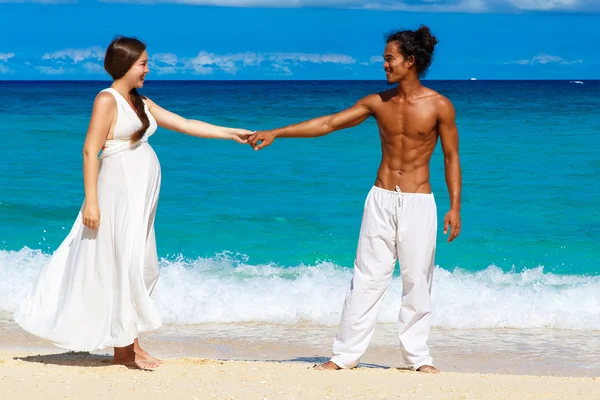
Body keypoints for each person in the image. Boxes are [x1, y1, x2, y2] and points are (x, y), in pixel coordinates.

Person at [13, 36, 252, 370]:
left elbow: (185, 123)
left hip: (139, 200)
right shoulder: (106, 99)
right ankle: (126, 352)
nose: (147, 69)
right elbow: (89, 150)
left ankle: (129, 344)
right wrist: (92, 202)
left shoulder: (139, 100)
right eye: (143, 63)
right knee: (125, 266)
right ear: (125, 65)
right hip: (116, 195)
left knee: (143, 268)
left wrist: (233, 133)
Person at [248, 26, 461, 373]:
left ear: (410, 61)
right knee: (366, 278)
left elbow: (451, 157)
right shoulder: (377, 103)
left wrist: (455, 206)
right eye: (384, 60)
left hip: (420, 202)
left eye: (389, 59)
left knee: (417, 280)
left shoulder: (439, 106)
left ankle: (418, 358)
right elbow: (329, 123)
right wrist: (277, 132)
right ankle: (345, 355)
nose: (384, 66)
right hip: (380, 199)